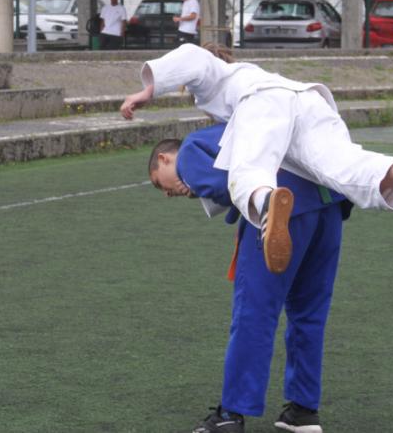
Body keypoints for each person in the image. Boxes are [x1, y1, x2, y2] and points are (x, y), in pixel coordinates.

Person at [122, 43, 393, 274]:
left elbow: (193, 55)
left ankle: (267, 204)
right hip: (308, 99)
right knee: (344, 167)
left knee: (246, 173)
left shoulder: (218, 78)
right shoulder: (249, 73)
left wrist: (149, 88)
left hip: (265, 102)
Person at [149, 124, 350, 433]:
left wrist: (202, 188)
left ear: (164, 159)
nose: (166, 193)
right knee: (309, 314)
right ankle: (303, 411)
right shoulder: (283, 112)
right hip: (329, 204)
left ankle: (231, 414)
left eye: (159, 184)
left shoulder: (191, 149)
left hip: (280, 209)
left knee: (254, 315)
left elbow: (227, 185)